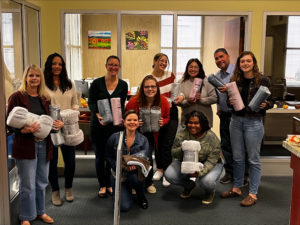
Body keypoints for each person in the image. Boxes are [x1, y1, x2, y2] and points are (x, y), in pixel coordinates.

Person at [7, 65, 61, 225]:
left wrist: (57, 125)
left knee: (42, 181)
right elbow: (8, 124)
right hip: (25, 145)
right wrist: (25, 130)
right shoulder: (16, 97)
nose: (34, 79)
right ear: (26, 78)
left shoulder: (45, 98)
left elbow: (48, 123)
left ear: (41, 79)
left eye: (37, 76)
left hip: (44, 145)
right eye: (31, 76)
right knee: (28, 183)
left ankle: (40, 212)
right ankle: (26, 216)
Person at [220, 51, 274, 207]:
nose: (245, 63)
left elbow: (271, 101)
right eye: (242, 61)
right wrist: (230, 101)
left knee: (253, 159)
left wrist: (266, 105)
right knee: (237, 158)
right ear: (239, 64)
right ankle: (237, 188)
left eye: (248, 61)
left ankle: (252, 194)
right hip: (235, 121)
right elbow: (231, 103)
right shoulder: (234, 80)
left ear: (253, 62)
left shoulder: (263, 80)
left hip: (254, 123)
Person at [88, 55, 128, 198]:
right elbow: (91, 102)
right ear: (106, 66)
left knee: (111, 157)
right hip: (98, 126)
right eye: (110, 64)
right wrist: (97, 113)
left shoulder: (123, 85)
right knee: (100, 157)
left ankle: (110, 183)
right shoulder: (97, 83)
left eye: (116, 65)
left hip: (114, 127)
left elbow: (122, 105)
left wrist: (123, 119)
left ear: (119, 67)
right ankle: (102, 185)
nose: (113, 67)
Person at [164, 111, 223, 204]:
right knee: (169, 175)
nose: (192, 125)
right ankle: (189, 186)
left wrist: (199, 173)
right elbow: (174, 153)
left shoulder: (211, 138)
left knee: (206, 181)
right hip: (186, 162)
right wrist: (182, 149)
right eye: (190, 122)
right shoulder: (182, 134)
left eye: (196, 123)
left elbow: (212, 161)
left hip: (209, 164)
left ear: (202, 124)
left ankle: (209, 192)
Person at [44, 53, 79, 206]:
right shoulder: (43, 85)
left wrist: (67, 118)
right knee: (51, 162)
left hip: (67, 127)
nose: (57, 66)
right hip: (50, 128)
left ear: (63, 66)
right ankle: (55, 191)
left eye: (60, 64)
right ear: (49, 65)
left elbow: (75, 104)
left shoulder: (69, 84)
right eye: (54, 63)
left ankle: (68, 188)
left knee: (70, 161)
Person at [125, 75, 170, 194]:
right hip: (136, 133)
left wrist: (163, 121)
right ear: (142, 88)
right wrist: (135, 122)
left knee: (148, 158)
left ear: (157, 88)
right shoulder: (134, 101)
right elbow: (126, 117)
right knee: (136, 158)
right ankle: (135, 184)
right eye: (147, 87)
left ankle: (148, 183)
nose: (150, 89)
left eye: (153, 86)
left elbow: (167, 117)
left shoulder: (163, 101)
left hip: (153, 135)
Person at [105, 110, 150, 211]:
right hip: (118, 174)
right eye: (129, 120)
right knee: (124, 207)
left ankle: (140, 195)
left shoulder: (143, 140)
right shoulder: (114, 137)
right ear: (124, 122)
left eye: (135, 120)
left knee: (135, 178)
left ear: (138, 122)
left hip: (134, 173)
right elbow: (107, 156)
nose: (132, 122)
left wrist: (137, 166)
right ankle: (125, 189)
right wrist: (117, 166)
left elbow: (146, 158)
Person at [149, 53, 179, 187]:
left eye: (166, 61)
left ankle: (167, 172)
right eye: (161, 61)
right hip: (155, 112)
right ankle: (160, 169)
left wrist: (180, 97)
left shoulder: (170, 75)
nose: (164, 63)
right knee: (158, 143)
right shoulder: (149, 78)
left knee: (167, 143)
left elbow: (177, 92)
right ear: (155, 61)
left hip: (171, 112)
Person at [176, 58, 217, 128]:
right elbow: (177, 102)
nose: (193, 69)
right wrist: (188, 102)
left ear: (200, 69)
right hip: (187, 121)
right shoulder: (181, 82)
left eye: (196, 67)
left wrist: (201, 100)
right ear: (187, 68)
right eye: (191, 67)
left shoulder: (207, 81)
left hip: (205, 120)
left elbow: (215, 98)